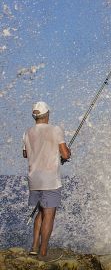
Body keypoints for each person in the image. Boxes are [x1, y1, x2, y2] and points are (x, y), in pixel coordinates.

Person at [22, 101, 71, 261]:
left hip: (34, 180)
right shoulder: (55, 130)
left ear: (34, 116)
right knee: (49, 215)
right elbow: (65, 154)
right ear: (47, 114)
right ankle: (43, 252)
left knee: (41, 212)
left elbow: (26, 154)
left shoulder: (27, 132)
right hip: (50, 180)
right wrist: (66, 154)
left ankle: (34, 248)